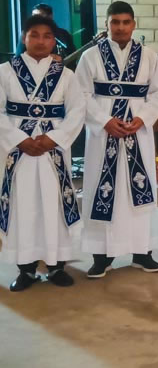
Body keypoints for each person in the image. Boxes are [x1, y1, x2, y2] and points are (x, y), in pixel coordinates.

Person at [76, 1, 158, 278]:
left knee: (138, 190)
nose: (120, 27)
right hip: (103, 135)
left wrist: (142, 119)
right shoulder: (90, 56)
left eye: (126, 22)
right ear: (106, 24)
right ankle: (101, 256)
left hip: (137, 133)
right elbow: (81, 95)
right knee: (102, 189)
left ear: (134, 24)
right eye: (115, 22)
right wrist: (105, 121)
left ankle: (142, 252)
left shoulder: (148, 56)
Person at [0, 15, 84, 291]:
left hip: (52, 151)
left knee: (54, 205)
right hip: (18, 153)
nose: (40, 41)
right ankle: (26, 268)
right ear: (23, 38)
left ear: (54, 40)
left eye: (47, 36)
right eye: (34, 35)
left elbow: (76, 112)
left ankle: (56, 265)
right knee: (23, 207)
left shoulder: (66, 75)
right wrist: (20, 140)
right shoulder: (5, 72)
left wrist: (52, 139)